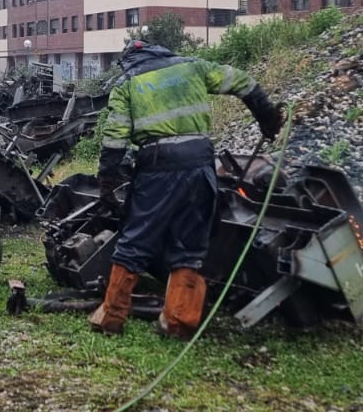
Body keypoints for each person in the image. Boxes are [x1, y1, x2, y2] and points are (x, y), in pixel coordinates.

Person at [89, 40, 283, 339]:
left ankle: (111, 316)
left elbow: (115, 138)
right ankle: (178, 322)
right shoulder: (194, 65)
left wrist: (107, 182)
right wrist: (267, 118)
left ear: (130, 60)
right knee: (191, 243)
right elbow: (244, 83)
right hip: (200, 165)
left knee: (136, 238)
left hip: (158, 169)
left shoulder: (128, 82)